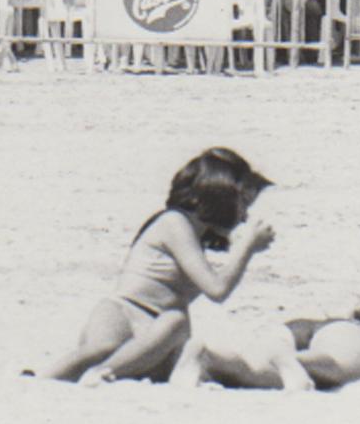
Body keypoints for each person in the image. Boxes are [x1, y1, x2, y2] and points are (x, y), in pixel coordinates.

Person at [36, 147, 276, 383]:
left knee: (175, 321)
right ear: (218, 196)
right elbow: (217, 290)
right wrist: (247, 248)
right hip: (124, 310)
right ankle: (47, 378)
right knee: (103, 346)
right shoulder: (174, 223)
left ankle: (104, 372)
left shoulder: (194, 235)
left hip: (159, 334)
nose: (244, 216)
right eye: (242, 204)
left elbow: (210, 286)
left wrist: (240, 248)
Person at [172, 292, 360, 391]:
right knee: (337, 365)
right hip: (340, 344)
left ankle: (207, 355)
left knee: (253, 371)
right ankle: (291, 360)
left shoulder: (353, 323)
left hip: (297, 328)